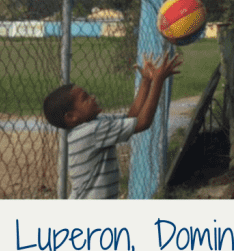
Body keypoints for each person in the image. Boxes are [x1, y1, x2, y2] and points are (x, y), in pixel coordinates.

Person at [43, 51, 182, 199]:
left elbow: (132, 118)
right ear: (72, 117)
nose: (92, 97)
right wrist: (158, 81)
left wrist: (146, 81)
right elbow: (143, 123)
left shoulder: (96, 123)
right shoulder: (90, 132)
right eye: (85, 98)